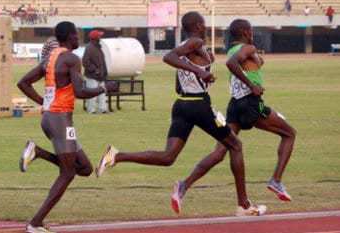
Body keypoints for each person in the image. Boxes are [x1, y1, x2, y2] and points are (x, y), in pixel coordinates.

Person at [96, 12, 265, 216]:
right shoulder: (194, 42)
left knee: (168, 157)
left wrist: (200, 76)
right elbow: (168, 57)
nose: (204, 27)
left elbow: (178, 85)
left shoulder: (191, 47)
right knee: (235, 146)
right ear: (199, 26)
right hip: (198, 106)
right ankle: (244, 205)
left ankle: (117, 155)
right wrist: (199, 72)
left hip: (182, 105)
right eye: (203, 23)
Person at [179, 18, 297, 207]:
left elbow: (249, 64)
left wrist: (255, 60)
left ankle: (184, 185)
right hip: (251, 103)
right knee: (289, 133)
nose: (252, 33)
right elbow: (232, 64)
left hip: (234, 105)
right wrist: (252, 85)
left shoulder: (235, 49)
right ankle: (276, 180)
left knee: (220, 151)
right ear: (244, 31)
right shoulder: (246, 50)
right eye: (250, 30)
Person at [17, 21, 114, 233]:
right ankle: (36, 222)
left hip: (54, 119)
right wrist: (104, 88)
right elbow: (79, 92)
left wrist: (43, 103)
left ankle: (38, 152)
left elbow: (23, 83)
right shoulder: (71, 59)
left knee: (85, 168)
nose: (78, 39)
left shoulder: (50, 59)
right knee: (68, 172)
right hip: (60, 120)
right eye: (76, 35)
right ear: (69, 36)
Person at [83, 30, 108, 114]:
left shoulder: (97, 47)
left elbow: (102, 62)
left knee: (102, 93)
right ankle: (91, 110)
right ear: (95, 38)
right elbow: (85, 62)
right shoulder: (89, 48)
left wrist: (104, 72)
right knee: (92, 94)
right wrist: (95, 70)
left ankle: (103, 109)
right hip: (92, 76)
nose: (100, 38)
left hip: (100, 75)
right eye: (99, 36)